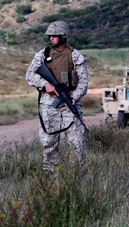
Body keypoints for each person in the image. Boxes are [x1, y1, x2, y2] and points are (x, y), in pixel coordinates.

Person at [25, 20, 89, 171]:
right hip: (49, 104)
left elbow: (83, 83)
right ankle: (50, 176)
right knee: (48, 143)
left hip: (70, 102)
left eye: (54, 35)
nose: (51, 38)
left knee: (77, 143)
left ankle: (77, 176)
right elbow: (29, 75)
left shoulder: (75, 56)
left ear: (63, 36)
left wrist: (74, 96)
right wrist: (45, 84)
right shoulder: (42, 54)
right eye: (50, 36)